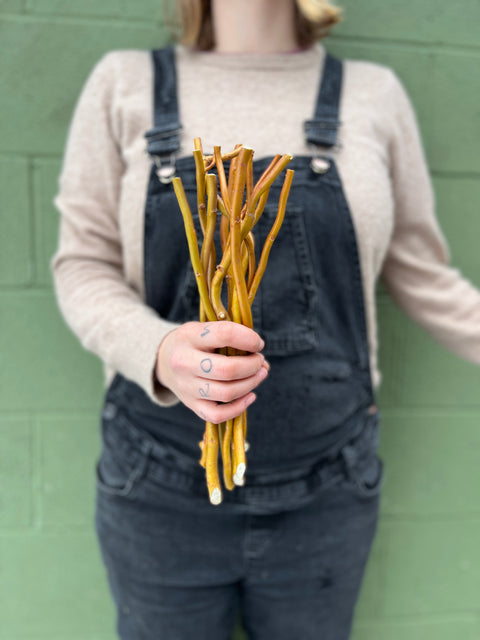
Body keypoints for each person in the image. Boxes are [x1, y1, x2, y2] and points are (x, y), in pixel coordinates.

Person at [50, 0, 480, 638]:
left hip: (329, 488)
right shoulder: (126, 82)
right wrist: (163, 352)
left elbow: (423, 276)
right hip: (158, 486)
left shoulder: (373, 95)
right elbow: (82, 265)